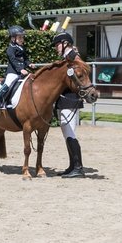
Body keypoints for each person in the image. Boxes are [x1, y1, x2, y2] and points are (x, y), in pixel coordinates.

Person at [50, 30, 89, 178]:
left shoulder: (72, 56)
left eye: (57, 44)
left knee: (69, 132)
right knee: (67, 132)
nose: (56, 47)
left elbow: (82, 72)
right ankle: (73, 165)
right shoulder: (67, 57)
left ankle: (78, 167)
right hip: (65, 98)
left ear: (65, 43)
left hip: (70, 98)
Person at [0, 25, 33, 110]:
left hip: (22, 72)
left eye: (22, 38)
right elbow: (13, 60)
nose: (22, 40)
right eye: (20, 38)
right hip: (13, 72)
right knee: (8, 83)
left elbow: (25, 59)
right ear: (13, 39)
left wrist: (30, 64)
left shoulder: (21, 48)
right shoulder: (10, 49)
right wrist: (21, 69)